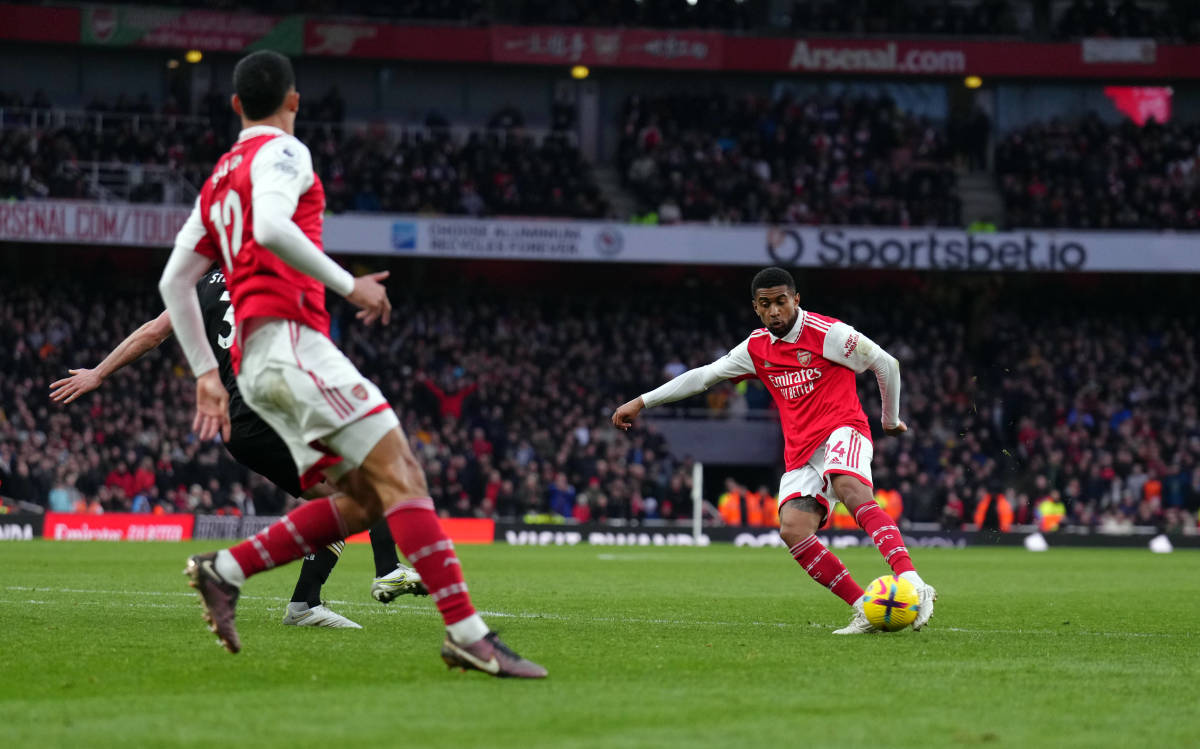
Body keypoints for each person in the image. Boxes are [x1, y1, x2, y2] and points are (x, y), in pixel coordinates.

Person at [154, 50, 544, 677]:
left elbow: (175, 282)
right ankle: (469, 636)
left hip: (257, 363)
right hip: (293, 346)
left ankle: (224, 571)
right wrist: (351, 286)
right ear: (294, 101)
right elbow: (276, 227)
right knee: (404, 475)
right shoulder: (283, 152)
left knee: (364, 500)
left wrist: (205, 374)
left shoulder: (219, 178)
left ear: (234, 106)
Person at [49, 269, 426, 629]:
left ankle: (306, 603)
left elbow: (152, 333)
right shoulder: (272, 274)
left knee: (341, 499)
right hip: (268, 414)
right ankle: (385, 570)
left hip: (239, 428)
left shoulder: (204, 287)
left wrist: (98, 372)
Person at [612, 266, 937, 634]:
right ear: (756, 307)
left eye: (782, 302)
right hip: (801, 452)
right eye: (765, 305)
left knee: (849, 487)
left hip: (843, 429)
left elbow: (885, 363)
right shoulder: (755, 348)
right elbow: (704, 376)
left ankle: (914, 583)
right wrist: (641, 402)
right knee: (793, 530)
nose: (775, 312)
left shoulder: (827, 333)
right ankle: (867, 608)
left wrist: (890, 420)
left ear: (796, 300)